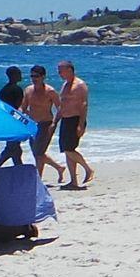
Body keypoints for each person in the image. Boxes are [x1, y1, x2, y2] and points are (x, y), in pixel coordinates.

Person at [21, 65, 65, 183]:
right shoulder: (28, 90)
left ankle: (38, 180)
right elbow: (23, 107)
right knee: (37, 153)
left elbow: (60, 108)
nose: (34, 78)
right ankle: (59, 168)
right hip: (32, 125)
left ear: (43, 77)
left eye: (36, 76)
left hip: (46, 124)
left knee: (39, 153)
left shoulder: (50, 91)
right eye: (32, 76)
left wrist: (54, 123)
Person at [55, 61, 93, 190]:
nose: (59, 73)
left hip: (75, 120)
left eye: (61, 70)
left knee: (69, 149)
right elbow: (62, 104)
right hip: (65, 120)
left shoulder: (79, 85)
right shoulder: (65, 84)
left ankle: (88, 169)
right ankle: (73, 181)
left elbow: (84, 105)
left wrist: (81, 124)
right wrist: (56, 120)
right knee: (67, 151)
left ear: (70, 70)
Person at [0, 66, 28, 170]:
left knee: (14, 148)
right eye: (19, 73)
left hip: (6, 121)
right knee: (12, 148)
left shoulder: (3, 90)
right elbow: (17, 108)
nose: (21, 75)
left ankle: (19, 171)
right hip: (14, 121)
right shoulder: (17, 89)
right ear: (14, 75)